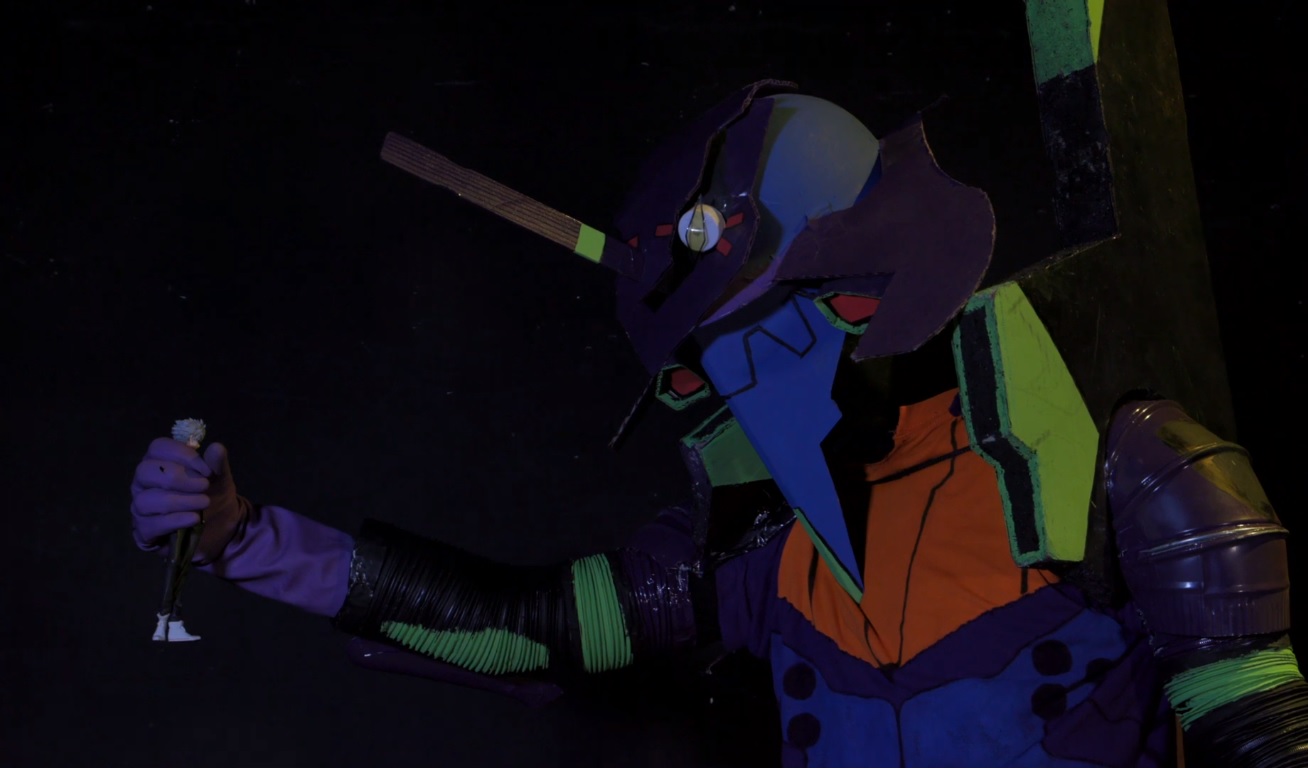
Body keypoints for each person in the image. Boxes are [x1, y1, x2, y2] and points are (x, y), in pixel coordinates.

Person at [129, 13, 1308, 766]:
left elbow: (1264, 737)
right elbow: (531, 624)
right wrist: (244, 538)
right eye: (719, 360)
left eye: (774, 333)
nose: (754, 387)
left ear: (865, 290)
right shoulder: (764, 553)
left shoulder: (1113, 473)